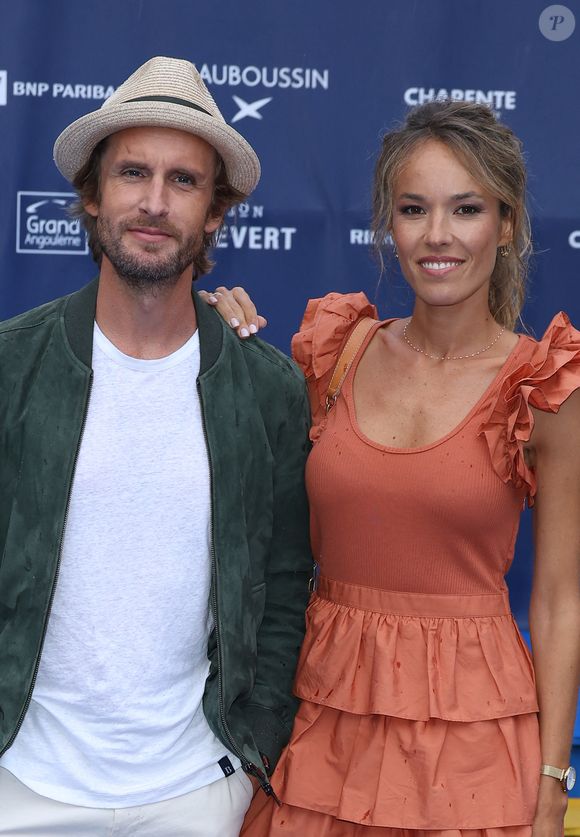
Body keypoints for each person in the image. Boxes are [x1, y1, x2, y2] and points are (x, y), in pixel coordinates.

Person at [202, 101, 580, 836]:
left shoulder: (544, 386)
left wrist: (552, 776)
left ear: (505, 225)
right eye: (414, 209)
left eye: (466, 208)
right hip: (324, 725)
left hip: (474, 742)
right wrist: (206, 332)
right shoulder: (336, 352)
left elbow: (562, 598)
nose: (438, 235)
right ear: (389, 225)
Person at [0, 56, 312, 836]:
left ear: (215, 211)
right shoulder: (12, 365)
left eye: (183, 180)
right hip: (21, 780)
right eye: (133, 172)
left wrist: (251, 749)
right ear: (91, 194)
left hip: (194, 791)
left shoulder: (265, 387)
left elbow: (283, 585)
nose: (152, 201)